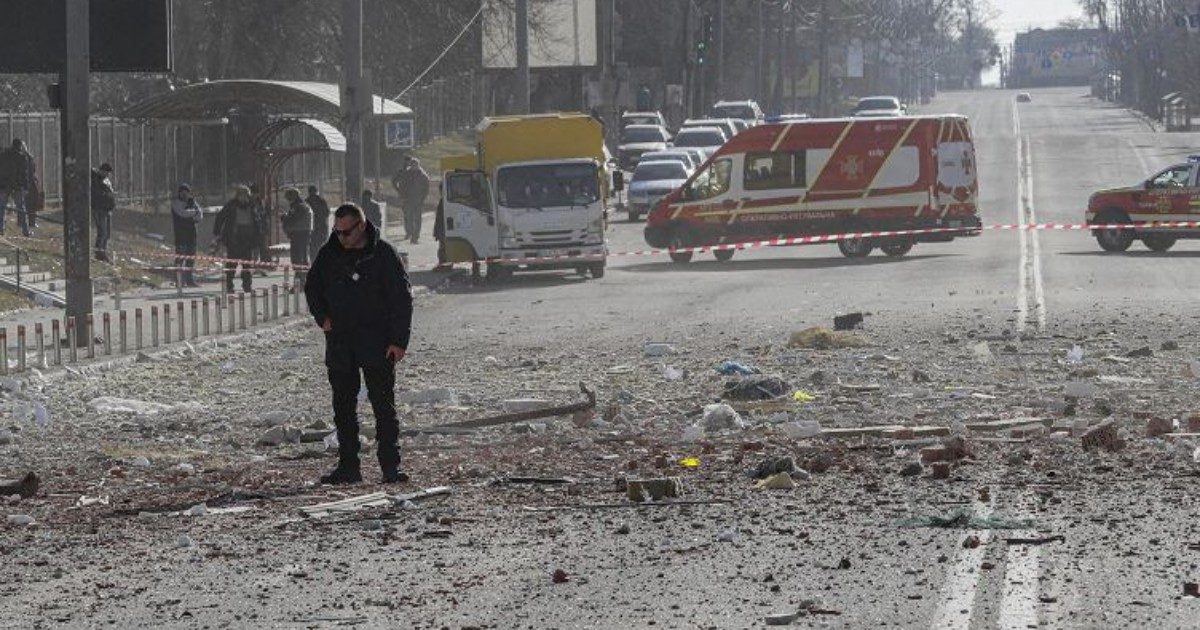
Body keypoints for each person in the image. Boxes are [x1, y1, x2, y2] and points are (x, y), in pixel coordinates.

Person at [305, 203, 413, 485]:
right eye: (337, 232)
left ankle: (390, 466)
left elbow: (401, 298)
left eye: (347, 232)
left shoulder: (383, 254)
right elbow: (312, 287)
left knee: (383, 406)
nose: (342, 238)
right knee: (343, 406)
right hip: (340, 340)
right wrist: (322, 317)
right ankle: (348, 466)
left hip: (376, 341)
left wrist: (398, 341)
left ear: (362, 227)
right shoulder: (329, 254)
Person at [212, 185, 266, 293]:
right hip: (234, 239)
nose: (243, 197)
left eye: (246, 195)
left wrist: (259, 234)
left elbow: (259, 220)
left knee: (247, 264)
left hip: (248, 239)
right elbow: (220, 217)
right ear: (237, 196)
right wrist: (217, 232)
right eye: (241, 195)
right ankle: (229, 286)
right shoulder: (231, 206)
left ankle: (247, 286)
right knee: (232, 264)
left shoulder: (252, 206)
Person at [0, 139, 37, 237]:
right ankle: (26, 231)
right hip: (17, 185)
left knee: (2, 207)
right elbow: (24, 174)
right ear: (20, 146)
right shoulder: (22, 157)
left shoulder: (3, 155)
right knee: (21, 208)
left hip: (4, 184)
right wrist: (25, 187)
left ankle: (1, 229)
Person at [170, 183, 204, 288]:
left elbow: (200, 215)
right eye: (182, 192)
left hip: (191, 234)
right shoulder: (176, 203)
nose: (184, 194)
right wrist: (193, 213)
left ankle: (189, 280)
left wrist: (193, 213)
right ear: (179, 193)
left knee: (190, 258)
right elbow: (182, 213)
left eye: (187, 192)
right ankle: (179, 281)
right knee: (180, 258)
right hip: (181, 235)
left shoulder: (192, 202)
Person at [393, 156, 430, 244]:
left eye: (415, 164)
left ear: (418, 165)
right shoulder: (406, 174)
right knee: (408, 217)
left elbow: (426, 189)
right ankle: (409, 232)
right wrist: (401, 194)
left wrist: (423, 198)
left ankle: (415, 237)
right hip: (407, 200)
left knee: (417, 219)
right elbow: (401, 185)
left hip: (418, 201)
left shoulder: (423, 176)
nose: (414, 166)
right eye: (412, 164)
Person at [280, 188, 313, 284]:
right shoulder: (302, 206)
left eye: (288, 198)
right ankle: (302, 281)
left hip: (299, 235)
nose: (287, 200)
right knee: (301, 259)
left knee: (298, 260)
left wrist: (284, 217)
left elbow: (292, 220)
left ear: (292, 197)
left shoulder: (299, 207)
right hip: (303, 235)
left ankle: (300, 282)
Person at [91, 163, 116, 262]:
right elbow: (97, 195)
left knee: (107, 233)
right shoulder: (95, 180)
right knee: (102, 232)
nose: (108, 175)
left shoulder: (105, 180)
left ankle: (103, 251)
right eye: (107, 172)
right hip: (99, 209)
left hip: (107, 209)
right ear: (102, 171)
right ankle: (99, 253)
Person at [305, 184, 330, 259]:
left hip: (311, 227)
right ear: (316, 191)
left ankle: (313, 262)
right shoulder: (322, 201)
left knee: (312, 247)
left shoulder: (306, 201)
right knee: (321, 245)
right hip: (322, 226)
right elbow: (327, 213)